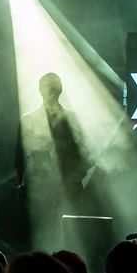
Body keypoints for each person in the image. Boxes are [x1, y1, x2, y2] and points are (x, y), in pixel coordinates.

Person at [14, 72, 92, 250]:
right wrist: (20, 182)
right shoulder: (28, 120)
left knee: (72, 233)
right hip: (41, 185)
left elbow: (84, 152)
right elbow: (20, 157)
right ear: (40, 90)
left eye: (55, 88)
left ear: (60, 90)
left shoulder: (71, 119)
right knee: (43, 231)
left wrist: (77, 177)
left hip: (68, 185)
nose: (51, 92)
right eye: (48, 87)